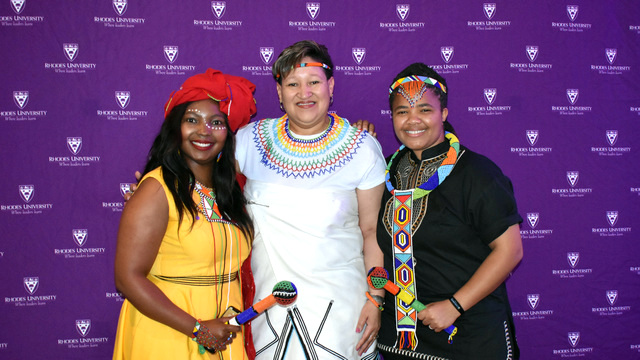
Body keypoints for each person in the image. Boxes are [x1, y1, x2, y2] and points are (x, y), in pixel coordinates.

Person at [235, 40, 386, 359]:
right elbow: (202, 188)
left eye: (314, 82)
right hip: (268, 307)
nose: (304, 93)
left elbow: (373, 232)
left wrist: (376, 298)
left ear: (330, 86)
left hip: (342, 311)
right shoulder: (247, 142)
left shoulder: (363, 149)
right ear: (278, 92)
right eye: (293, 84)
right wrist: (161, 187)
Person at [375, 63, 523, 360]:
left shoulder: (477, 173)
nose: (412, 120)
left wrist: (455, 305)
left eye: (425, 110)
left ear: (443, 113)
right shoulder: (384, 171)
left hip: (467, 336)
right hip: (399, 340)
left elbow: (510, 251)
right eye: (402, 111)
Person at [113, 68, 257, 360]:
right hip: (169, 334)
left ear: (228, 134)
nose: (204, 130)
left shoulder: (230, 192)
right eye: (192, 120)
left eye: (216, 122)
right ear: (175, 127)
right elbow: (127, 278)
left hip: (224, 334)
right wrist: (197, 329)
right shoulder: (157, 189)